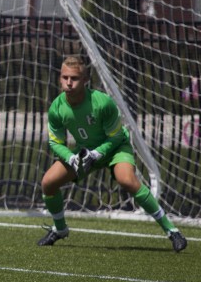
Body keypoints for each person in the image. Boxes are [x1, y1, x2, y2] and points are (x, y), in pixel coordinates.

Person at [39, 55, 187, 252]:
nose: (69, 82)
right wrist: (71, 157)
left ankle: (172, 231)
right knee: (48, 182)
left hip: (115, 148)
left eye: (74, 78)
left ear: (85, 80)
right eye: (65, 77)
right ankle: (60, 229)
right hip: (85, 152)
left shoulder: (102, 102)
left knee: (127, 180)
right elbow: (55, 142)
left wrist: (98, 154)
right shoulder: (56, 108)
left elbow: (116, 137)